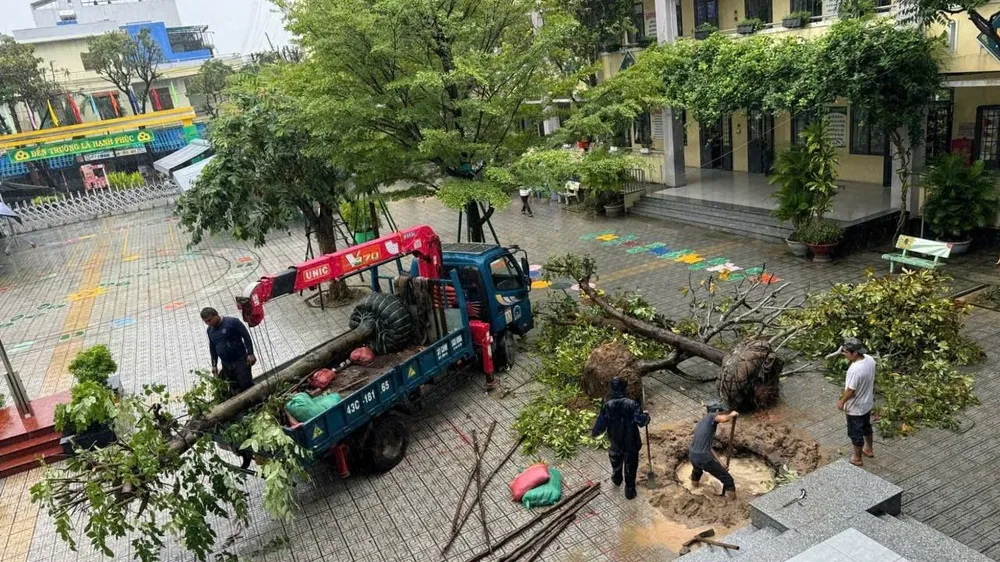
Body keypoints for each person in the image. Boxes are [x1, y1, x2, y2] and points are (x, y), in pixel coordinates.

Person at [591, 377, 650, 499]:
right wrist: (646, 417)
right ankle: (629, 489)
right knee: (630, 465)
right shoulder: (632, 404)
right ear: (624, 388)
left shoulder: (607, 405)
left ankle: (617, 477)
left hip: (615, 439)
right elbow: (641, 422)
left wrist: (595, 433)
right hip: (631, 440)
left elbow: (601, 423)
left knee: (615, 458)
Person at [835, 337, 876, 466]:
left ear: (855, 353)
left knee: (855, 433)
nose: (844, 354)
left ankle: (857, 458)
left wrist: (841, 401)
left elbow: (851, 391)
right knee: (866, 427)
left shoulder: (854, 370)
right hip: (867, 403)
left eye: (846, 352)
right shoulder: (870, 359)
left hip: (855, 408)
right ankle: (869, 449)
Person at [689, 401, 739, 500]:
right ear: (716, 411)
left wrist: (720, 463)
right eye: (721, 412)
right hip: (703, 457)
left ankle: (694, 489)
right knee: (728, 480)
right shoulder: (711, 416)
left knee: (697, 472)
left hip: (692, 454)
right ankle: (733, 503)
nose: (722, 414)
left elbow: (709, 447)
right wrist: (732, 415)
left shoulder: (702, 421)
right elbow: (724, 419)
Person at [201, 307, 257, 395]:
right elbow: (212, 348)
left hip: (240, 360)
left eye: (209, 320)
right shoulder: (210, 330)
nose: (208, 323)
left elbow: (246, 336)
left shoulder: (232, 322)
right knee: (234, 388)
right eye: (206, 322)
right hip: (226, 364)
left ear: (216, 315)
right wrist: (214, 365)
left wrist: (250, 353)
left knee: (246, 385)